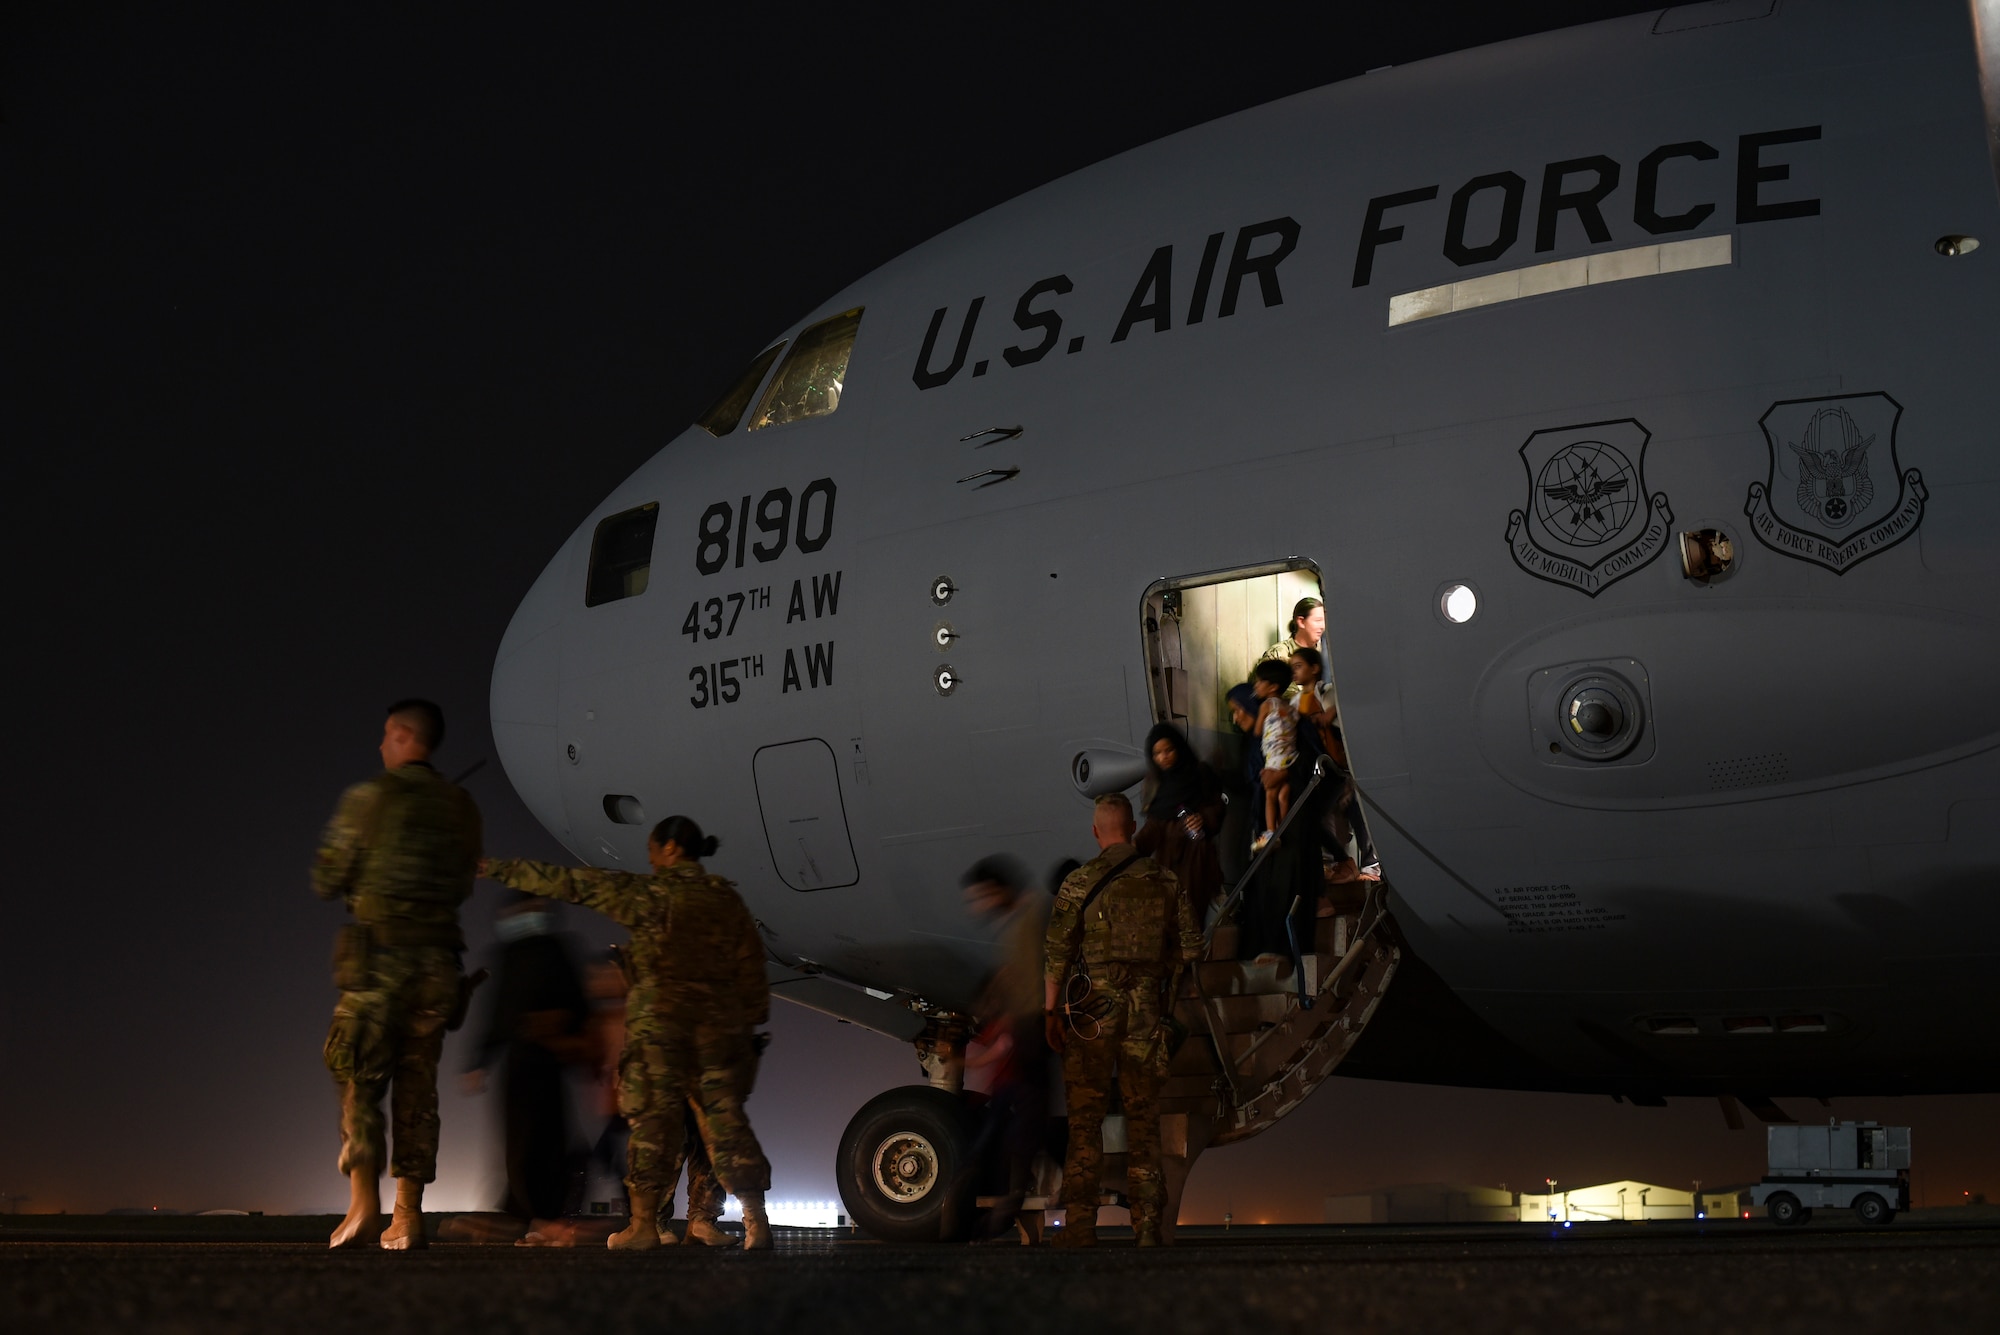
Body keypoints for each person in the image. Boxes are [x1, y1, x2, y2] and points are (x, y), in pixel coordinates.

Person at [480, 816, 774, 1251]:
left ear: (671, 849)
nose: (650, 859)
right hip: (718, 1031)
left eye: (653, 849)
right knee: (726, 1121)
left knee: (653, 1123)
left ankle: (641, 1227)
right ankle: (755, 1221)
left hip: (662, 1031)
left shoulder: (649, 893)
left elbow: (571, 883)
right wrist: (746, 1022)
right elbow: (752, 972)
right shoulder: (726, 900)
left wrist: (494, 868)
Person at [313, 698, 482, 1251]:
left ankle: (363, 1205)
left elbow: (325, 877)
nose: (381, 745)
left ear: (404, 736)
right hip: (437, 967)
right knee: (418, 1089)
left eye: (387, 735)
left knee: (358, 1074)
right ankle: (407, 1217)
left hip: (379, 961)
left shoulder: (367, 799)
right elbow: (462, 884)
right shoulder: (462, 806)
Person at [1042, 794, 1201, 1247]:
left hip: (1091, 1013)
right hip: (1145, 1012)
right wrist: (1161, 972)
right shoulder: (1164, 880)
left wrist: (1050, 1012)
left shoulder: (1080, 882)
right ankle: (1148, 1228)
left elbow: (1056, 954)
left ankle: (1079, 1229)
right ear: (1131, 828)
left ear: (1096, 832)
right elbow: (1192, 946)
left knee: (1085, 1123)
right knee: (1144, 1120)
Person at [463, 892, 588, 1245]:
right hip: (521, 1062)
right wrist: (480, 1060)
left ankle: (545, 1218)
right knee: (520, 1143)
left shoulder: (557, 951)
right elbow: (499, 1015)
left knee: (548, 1140)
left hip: (549, 1059)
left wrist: (567, 1032)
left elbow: (577, 1004)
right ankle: (530, 1216)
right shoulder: (511, 955)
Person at [960, 855, 1050, 1244]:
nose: (978, 906)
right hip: (1029, 1024)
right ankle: (1010, 1200)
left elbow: (1044, 970)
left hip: (1034, 1026)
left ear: (998, 890)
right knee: (1027, 1117)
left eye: (981, 896)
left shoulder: (1032, 918)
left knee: (1027, 1118)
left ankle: (1009, 1201)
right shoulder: (1021, 921)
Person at [1133, 723, 1226, 924]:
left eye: (1168, 750)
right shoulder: (1155, 783)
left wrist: (1203, 818)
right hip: (1167, 864)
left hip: (1196, 860)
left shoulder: (1199, 774)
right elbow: (1153, 826)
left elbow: (1217, 806)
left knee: (1191, 920)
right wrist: (1130, 849)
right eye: (1157, 753)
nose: (1163, 757)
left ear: (1179, 748)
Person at [1249, 659, 1298, 851]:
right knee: (1283, 794)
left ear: (1272, 687)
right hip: (1290, 758)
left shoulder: (1267, 705)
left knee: (1270, 795)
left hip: (1274, 759)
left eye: (1259, 681)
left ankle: (1271, 832)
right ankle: (1283, 829)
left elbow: (1257, 731)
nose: (1256, 685)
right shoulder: (1290, 707)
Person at [1259, 596, 1326, 694]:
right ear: (1301, 621)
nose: (1322, 626)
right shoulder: (1279, 653)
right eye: (1318, 621)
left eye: (1324, 621)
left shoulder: (1325, 654)